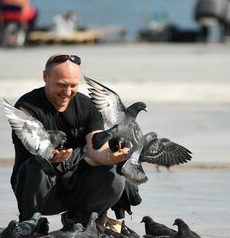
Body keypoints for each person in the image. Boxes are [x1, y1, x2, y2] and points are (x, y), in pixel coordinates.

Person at [10, 54, 141, 226]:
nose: (67, 92)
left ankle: (79, 223)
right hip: (39, 188)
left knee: (116, 177)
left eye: (73, 85)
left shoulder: (88, 106)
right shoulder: (27, 107)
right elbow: (34, 152)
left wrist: (114, 157)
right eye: (61, 85)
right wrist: (51, 158)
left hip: (75, 184)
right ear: (45, 76)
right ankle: (28, 225)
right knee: (38, 165)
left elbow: (96, 149)